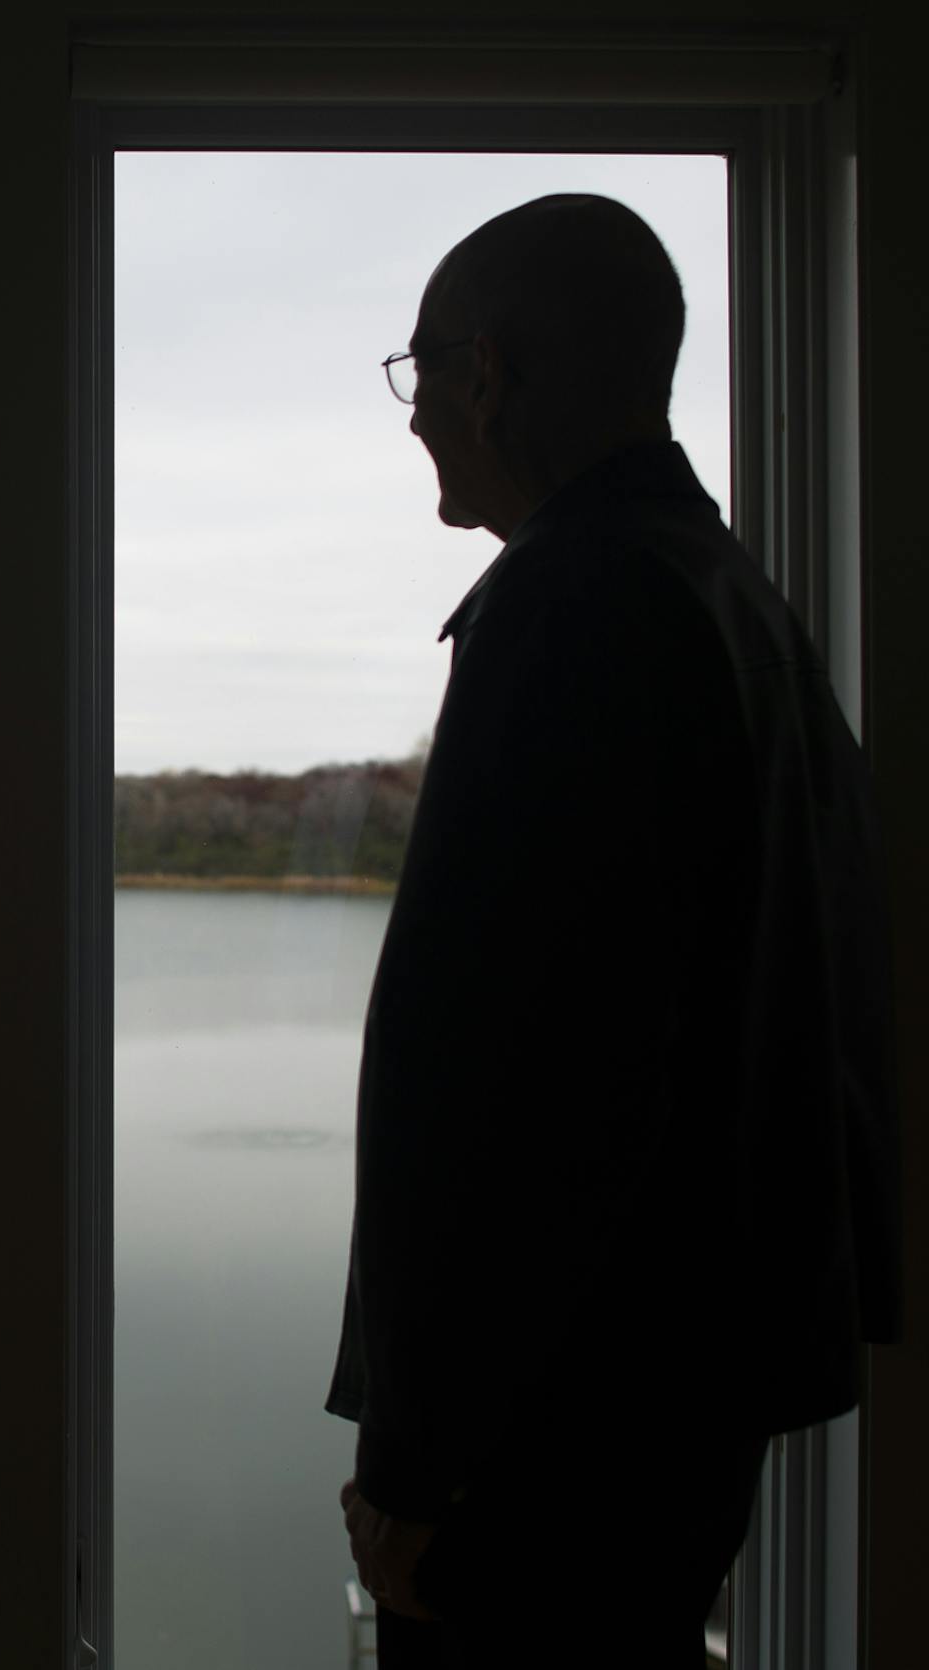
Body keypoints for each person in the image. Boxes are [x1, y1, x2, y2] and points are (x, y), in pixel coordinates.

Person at [326, 196, 900, 1668]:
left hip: (546, 1431)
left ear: (491, 373)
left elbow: (494, 1081)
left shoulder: (569, 609)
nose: (415, 423)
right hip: (682, 1406)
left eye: (421, 374)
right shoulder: (739, 606)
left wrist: (417, 1456)